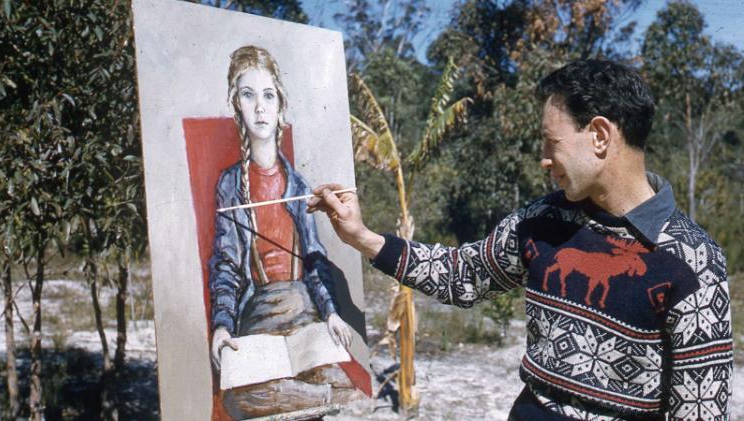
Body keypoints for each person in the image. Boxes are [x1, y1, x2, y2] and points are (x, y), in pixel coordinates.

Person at [308, 60, 732, 420]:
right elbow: (464, 275)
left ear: (600, 136)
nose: (544, 159)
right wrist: (362, 238)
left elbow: (699, 412)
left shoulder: (693, 262)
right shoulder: (543, 218)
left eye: (552, 143)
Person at [208, 45, 358, 418]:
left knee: (339, 380)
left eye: (268, 96)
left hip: (303, 308)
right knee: (239, 399)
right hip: (258, 311)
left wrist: (332, 314)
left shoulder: (298, 184)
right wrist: (223, 326)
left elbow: (315, 259)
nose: (260, 107)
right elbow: (226, 265)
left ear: (280, 108)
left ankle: (311, 394)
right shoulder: (230, 185)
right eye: (248, 95)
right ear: (236, 106)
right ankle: (309, 395)